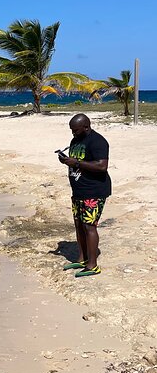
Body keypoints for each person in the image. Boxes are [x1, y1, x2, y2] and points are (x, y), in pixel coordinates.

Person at [58, 114, 111, 278]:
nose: (73, 134)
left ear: (86, 127)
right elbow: (76, 160)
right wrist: (66, 160)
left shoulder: (98, 142)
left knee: (89, 226)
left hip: (94, 191)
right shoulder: (75, 140)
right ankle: (82, 259)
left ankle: (92, 265)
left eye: (76, 130)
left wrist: (77, 163)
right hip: (78, 191)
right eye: (72, 131)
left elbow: (102, 166)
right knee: (79, 225)